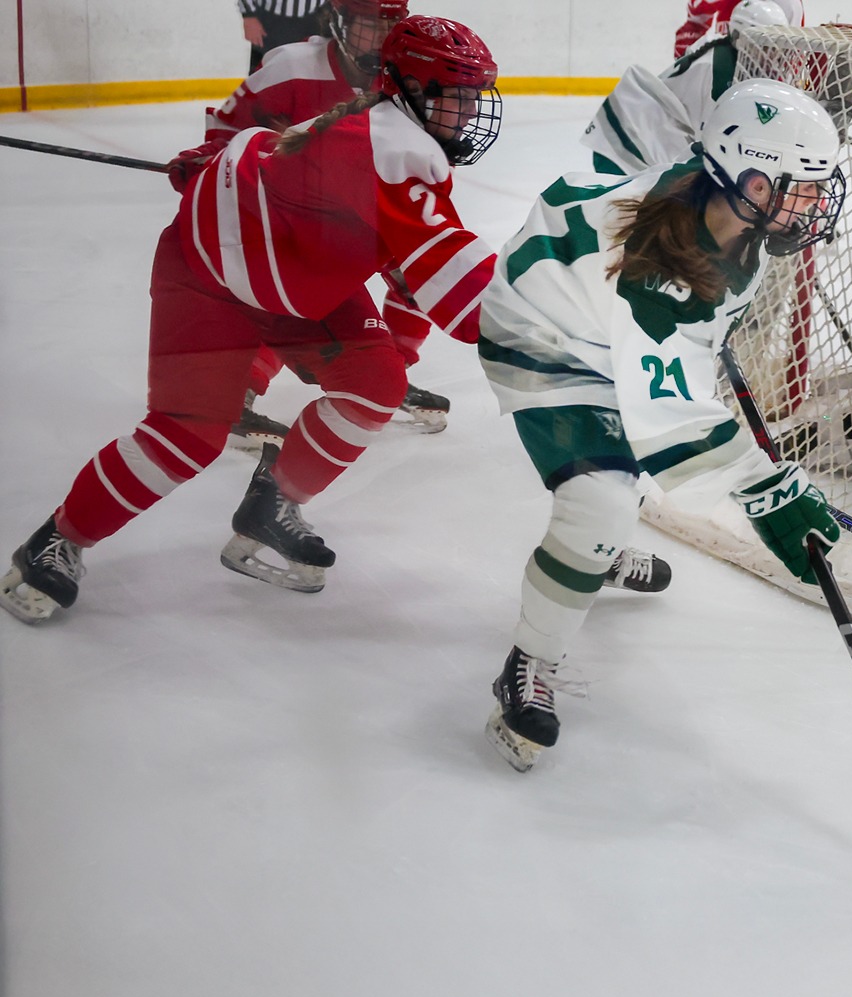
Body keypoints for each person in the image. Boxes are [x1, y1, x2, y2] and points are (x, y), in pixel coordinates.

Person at [0, 16, 503, 626]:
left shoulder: (380, 129)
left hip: (293, 276)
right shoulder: (400, 149)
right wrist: (542, 321)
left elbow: (413, 262)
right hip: (209, 275)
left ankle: (273, 504)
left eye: (477, 96)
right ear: (414, 92)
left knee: (376, 385)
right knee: (188, 433)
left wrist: (217, 164)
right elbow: (464, 295)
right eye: (461, 97)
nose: (473, 112)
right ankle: (57, 540)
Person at [475, 79, 848, 772]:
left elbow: (677, 356)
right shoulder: (656, 251)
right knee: (602, 501)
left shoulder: (731, 220)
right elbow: (669, 415)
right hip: (545, 339)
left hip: (602, 330)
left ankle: (598, 556)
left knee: (626, 466)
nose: (812, 205)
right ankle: (530, 660)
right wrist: (768, 493)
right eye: (799, 188)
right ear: (751, 181)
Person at [179, 1, 455, 450]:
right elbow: (228, 126)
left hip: (365, 216)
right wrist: (209, 161)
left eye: (391, 25)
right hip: (285, 213)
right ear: (339, 22)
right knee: (276, 290)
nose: (381, 37)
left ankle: (389, 373)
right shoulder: (291, 67)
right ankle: (238, 393)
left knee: (418, 274)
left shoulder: (402, 74)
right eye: (370, 25)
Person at [582, 0, 799, 178]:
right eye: (763, 44)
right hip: (625, 141)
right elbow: (714, 142)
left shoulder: (733, 58)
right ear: (740, 38)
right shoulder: (720, 70)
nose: (773, 52)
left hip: (642, 137)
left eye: (774, 43)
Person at [671, 0, 804, 61]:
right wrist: (687, 59)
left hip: (764, 84)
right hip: (717, 75)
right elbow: (695, 24)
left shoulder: (788, 4)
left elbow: (791, 58)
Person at [240, 0, 330, 74]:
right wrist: (248, 14)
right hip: (271, 19)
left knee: (311, 73)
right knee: (265, 73)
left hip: (318, 17)